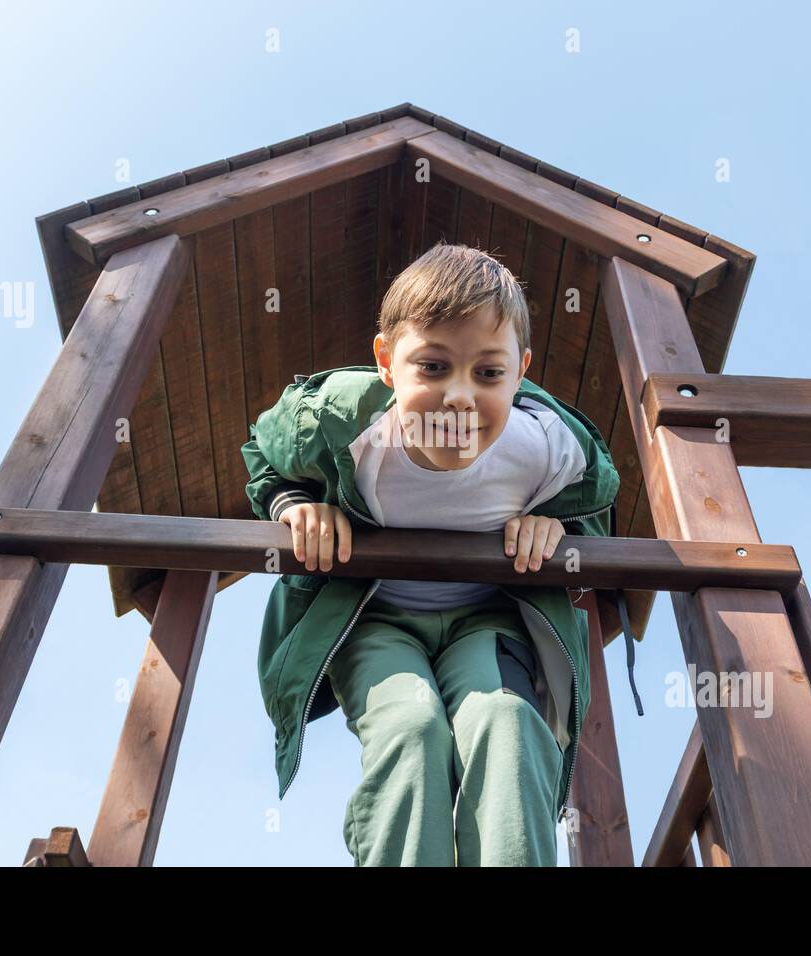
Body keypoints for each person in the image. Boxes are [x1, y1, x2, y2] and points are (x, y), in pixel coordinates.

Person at [240, 241, 634, 866]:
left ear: (520, 371)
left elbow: (597, 495)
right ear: (387, 364)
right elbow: (265, 448)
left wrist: (559, 527)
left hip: (489, 619)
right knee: (412, 728)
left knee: (508, 723)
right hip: (377, 620)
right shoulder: (343, 424)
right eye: (432, 366)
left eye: (488, 373)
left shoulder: (544, 450)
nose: (459, 397)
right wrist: (294, 503)